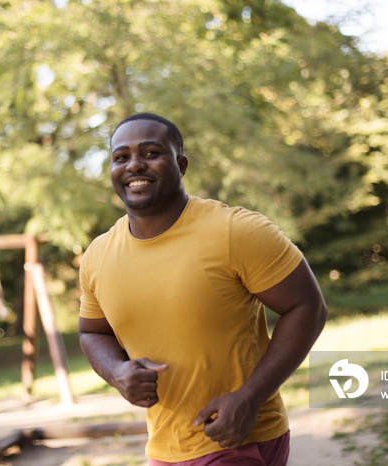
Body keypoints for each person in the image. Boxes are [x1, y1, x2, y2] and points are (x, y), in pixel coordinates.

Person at [78, 113, 328, 465]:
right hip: (164, 448)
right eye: (122, 157)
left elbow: (307, 307)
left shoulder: (235, 231)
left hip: (237, 439)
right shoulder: (97, 256)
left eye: (150, 153)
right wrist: (116, 371)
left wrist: (251, 397)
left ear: (180, 165)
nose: (134, 165)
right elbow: (92, 331)